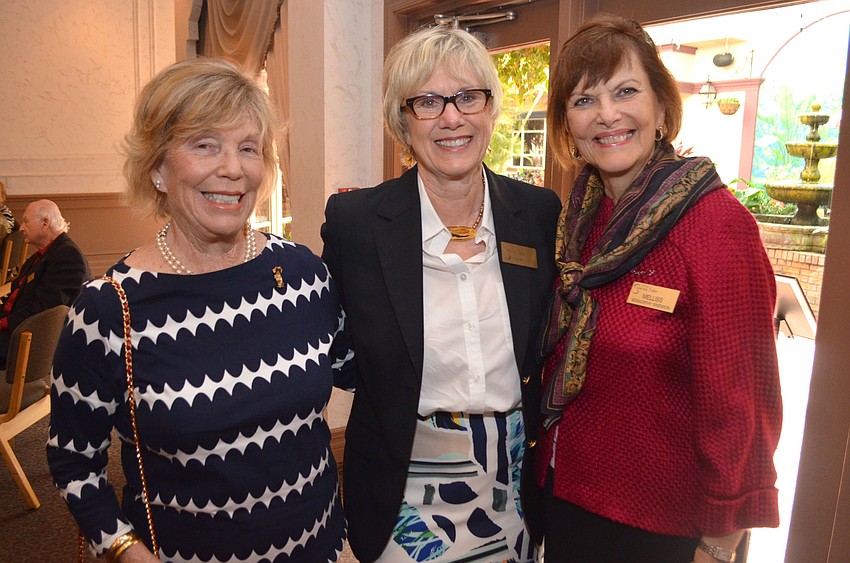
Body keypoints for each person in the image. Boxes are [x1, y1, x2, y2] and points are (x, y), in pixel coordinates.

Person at [47, 59, 356, 563]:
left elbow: (366, 372)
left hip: (320, 548)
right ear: (157, 169)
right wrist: (125, 551)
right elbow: (73, 461)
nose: (233, 168)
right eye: (205, 145)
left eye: (248, 148)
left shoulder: (304, 274)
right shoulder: (107, 309)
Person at [537, 13, 782, 563]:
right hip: (566, 499)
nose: (607, 115)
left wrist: (719, 546)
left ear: (662, 107)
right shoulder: (579, 221)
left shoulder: (716, 225)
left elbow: (743, 401)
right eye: (584, 100)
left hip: (662, 526)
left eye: (626, 91)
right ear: (567, 124)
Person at [322, 25, 561, 563]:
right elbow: (335, 354)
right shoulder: (356, 223)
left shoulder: (538, 214)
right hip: (402, 490)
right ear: (401, 120)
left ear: (491, 109)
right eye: (428, 102)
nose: (452, 118)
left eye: (468, 97)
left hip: (513, 482)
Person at [0, 199, 90, 366]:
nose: (21, 228)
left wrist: (2, 323)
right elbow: (17, 294)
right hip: (19, 327)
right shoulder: (45, 254)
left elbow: (43, 310)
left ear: (45, 223)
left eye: (26, 222)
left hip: (29, 340)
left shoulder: (68, 256)